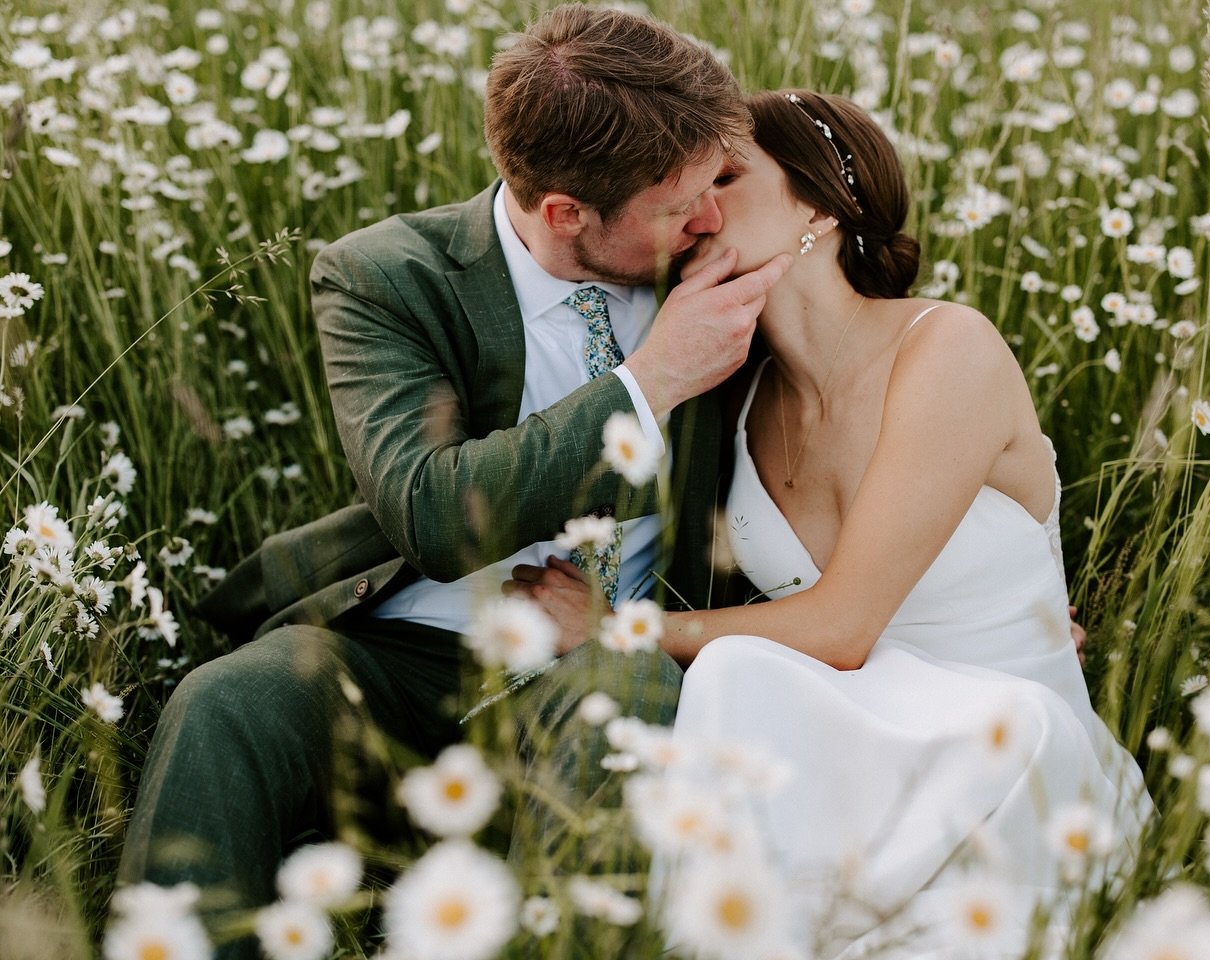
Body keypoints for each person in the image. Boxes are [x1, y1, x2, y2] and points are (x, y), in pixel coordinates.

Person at [115, 7, 791, 956]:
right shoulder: (388, 276)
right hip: (410, 653)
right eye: (680, 207)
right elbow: (433, 512)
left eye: (713, 185)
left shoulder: (725, 268)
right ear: (564, 211)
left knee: (629, 700)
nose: (711, 219)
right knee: (229, 702)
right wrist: (653, 381)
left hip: (606, 649)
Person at [510, 90, 1153, 956]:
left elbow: (844, 626)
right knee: (738, 675)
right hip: (853, 747)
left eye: (727, 177)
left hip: (1009, 752)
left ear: (816, 203)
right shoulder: (731, 401)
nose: (697, 207)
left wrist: (617, 629)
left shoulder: (948, 347)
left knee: (738, 669)